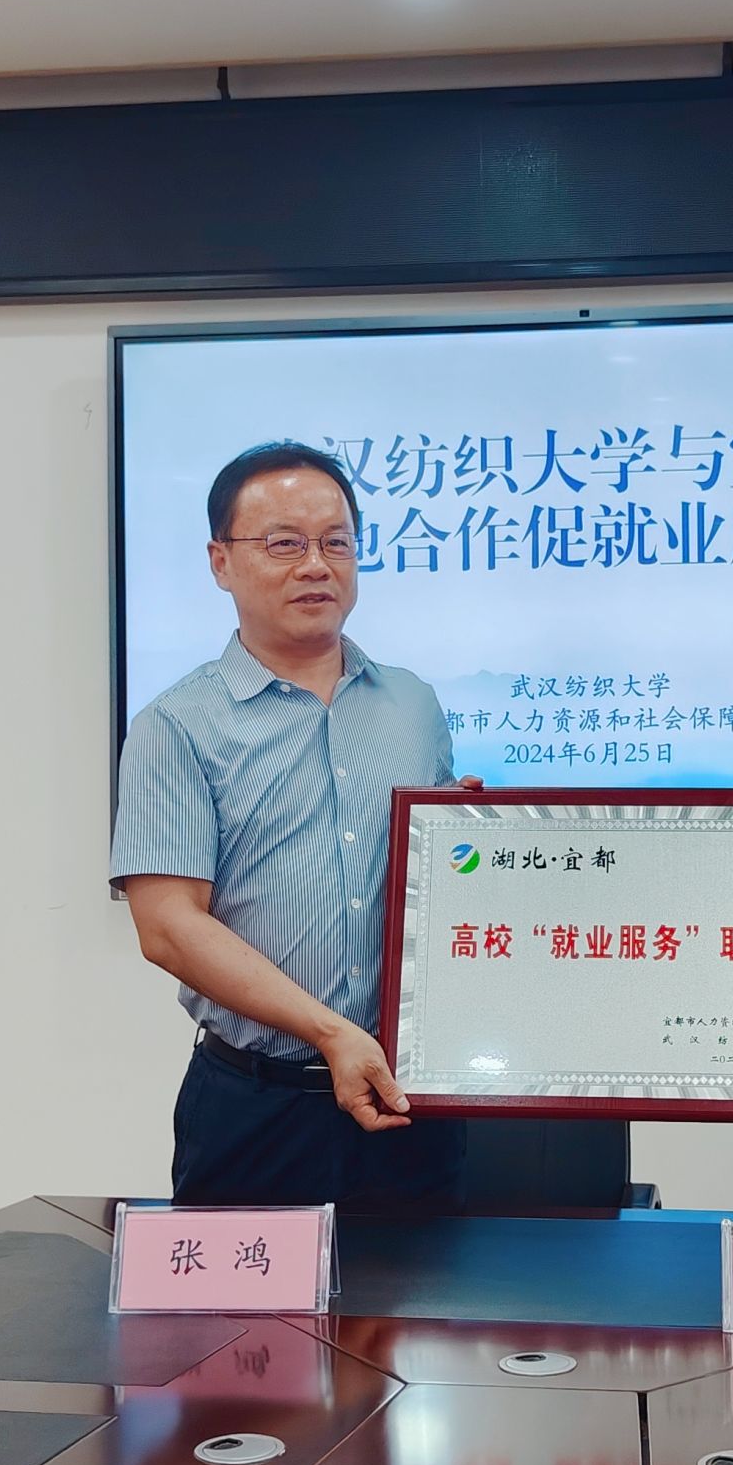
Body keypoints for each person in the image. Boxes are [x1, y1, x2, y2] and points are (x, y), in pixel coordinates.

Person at [111, 440, 473, 1209]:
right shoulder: (176, 724)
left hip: (408, 1101)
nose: (316, 565)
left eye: (336, 543)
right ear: (220, 561)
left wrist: (474, 839)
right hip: (256, 1106)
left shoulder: (412, 704)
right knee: (246, 1294)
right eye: (284, 544)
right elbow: (168, 927)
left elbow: (438, 883)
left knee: (419, 1288)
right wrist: (330, 1032)